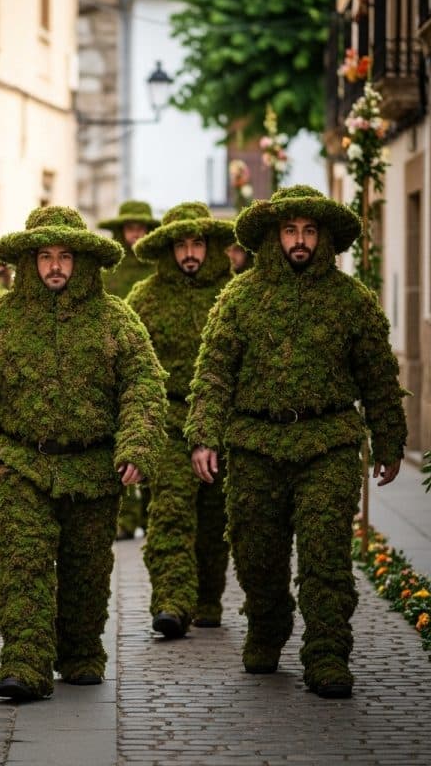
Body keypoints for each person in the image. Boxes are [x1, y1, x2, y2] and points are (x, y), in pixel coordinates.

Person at [185, 185, 407, 698]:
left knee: (325, 553)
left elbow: (377, 376)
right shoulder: (239, 298)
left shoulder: (352, 301)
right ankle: (267, 627)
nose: (299, 240)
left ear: (324, 237)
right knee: (257, 553)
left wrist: (390, 440)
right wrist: (203, 437)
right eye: (290, 231)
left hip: (327, 441)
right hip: (254, 442)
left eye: (309, 231)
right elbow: (214, 374)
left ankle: (327, 654)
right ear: (273, 236)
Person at [0, 205, 167, 700]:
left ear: (82, 261)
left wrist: (136, 445)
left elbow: (143, 388)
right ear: (28, 261)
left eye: (65, 256)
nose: (55, 267)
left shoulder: (117, 319)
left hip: (92, 464)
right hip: (18, 461)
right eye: (44, 256)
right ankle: (24, 662)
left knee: (86, 568)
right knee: (23, 562)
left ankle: (82, 652)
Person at [128, 202, 233, 637]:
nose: (190, 253)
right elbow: (132, 369)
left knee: (215, 519)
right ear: (168, 249)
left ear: (210, 247)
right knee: (169, 511)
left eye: (197, 244)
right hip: (166, 423)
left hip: (224, 424)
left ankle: (207, 598)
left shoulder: (234, 293)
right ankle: (171, 601)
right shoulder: (144, 298)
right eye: (181, 245)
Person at [98, 200, 161, 539]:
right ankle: (125, 517)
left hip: (151, 363)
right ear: (121, 231)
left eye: (141, 228)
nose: (135, 234)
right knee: (118, 445)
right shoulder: (109, 272)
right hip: (112, 361)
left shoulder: (156, 269)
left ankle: (151, 515)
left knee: (150, 441)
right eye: (130, 228)